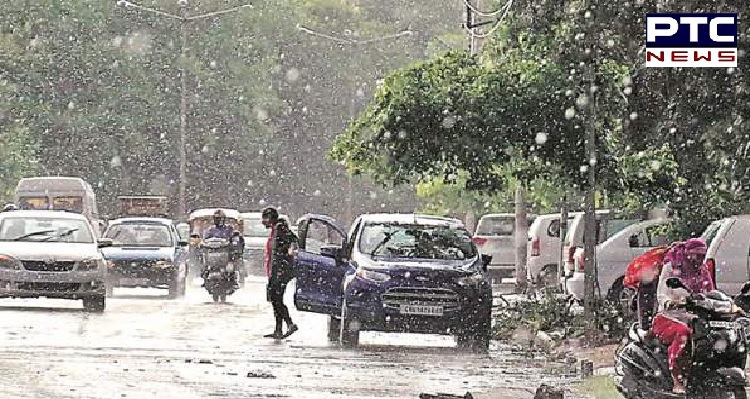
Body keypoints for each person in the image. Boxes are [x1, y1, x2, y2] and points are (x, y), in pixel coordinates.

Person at [650, 238, 714, 394]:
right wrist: (670, 302)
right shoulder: (672, 267)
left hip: (693, 315)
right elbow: (662, 293)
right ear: (687, 254)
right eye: (696, 255)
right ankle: (677, 379)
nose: (699, 259)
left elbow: (710, 292)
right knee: (683, 333)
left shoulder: (702, 270)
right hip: (669, 316)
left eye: (702, 255)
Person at [262, 207, 299, 339]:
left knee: (276, 298)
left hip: (282, 270)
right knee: (275, 298)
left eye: (265, 218)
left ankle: (290, 323)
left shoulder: (280, 228)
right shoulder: (274, 230)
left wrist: (288, 251)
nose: (263, 221)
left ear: (271, 218)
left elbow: (294, 239)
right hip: (274, 270)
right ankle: (278, 329)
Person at [202, 210, 241, 289]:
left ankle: (233, 279)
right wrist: (202, 244)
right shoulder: (210, 229)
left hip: (225, 253)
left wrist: (234, 243)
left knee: (232, 262)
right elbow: (205, 239)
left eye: (220, 218)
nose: (218, 220)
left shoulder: (229, 228)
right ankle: (205, 278)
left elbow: (234, 239)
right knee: (203, 262)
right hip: (212, 254)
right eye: (216, 218)